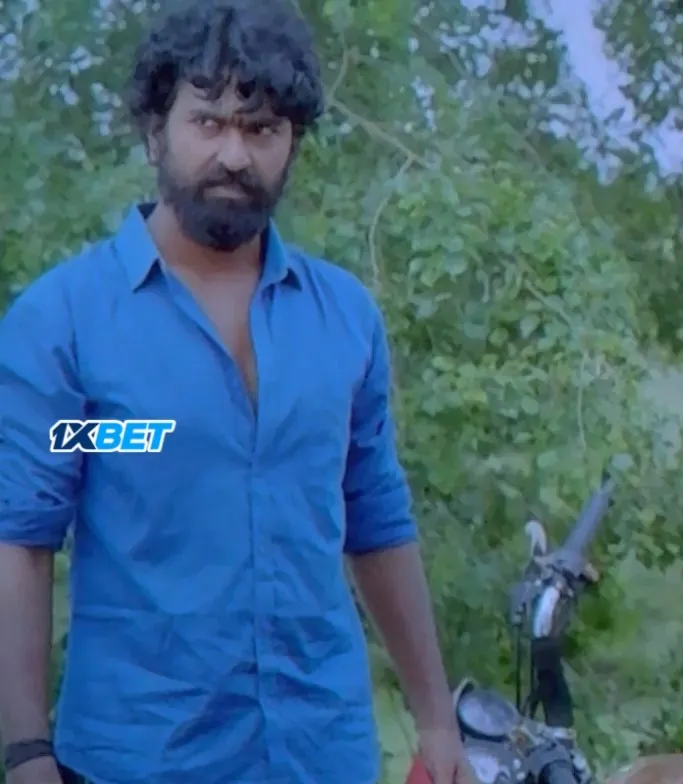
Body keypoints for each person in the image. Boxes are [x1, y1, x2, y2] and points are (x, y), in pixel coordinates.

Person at [0, 2, 474, 782]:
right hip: (140, 761)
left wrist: (434, 719)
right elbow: (22, 538)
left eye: (262, 130)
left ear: (292, 144)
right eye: (208, 122)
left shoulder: (343, 318)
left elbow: (378, 520)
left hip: (323, 756)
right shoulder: (64, 323)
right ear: (156, 132)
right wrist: (25, 749)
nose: (233, 154)